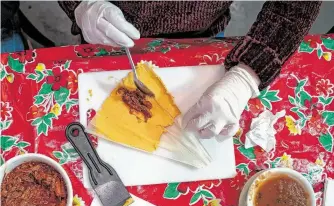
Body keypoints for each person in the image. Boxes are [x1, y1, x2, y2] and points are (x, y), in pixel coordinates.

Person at [59, 1, 321, 139]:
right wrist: (81, 5)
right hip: (106, 26)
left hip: (203, 33)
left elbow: (296, 5)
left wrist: (248, 73)